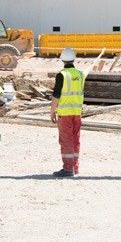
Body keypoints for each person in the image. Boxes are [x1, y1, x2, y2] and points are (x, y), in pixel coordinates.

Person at [50, 47, 87, 178]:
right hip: (77, 113)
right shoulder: (81, 74)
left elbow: (56, 95)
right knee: (75, 140)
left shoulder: (62, 75)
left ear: (62, 60)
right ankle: (75, 167)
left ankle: (67, 169)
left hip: (65, 114)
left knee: (66, 141)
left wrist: (52, 111)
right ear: (73, 59)